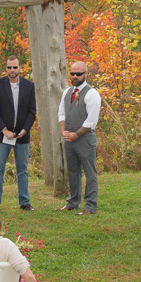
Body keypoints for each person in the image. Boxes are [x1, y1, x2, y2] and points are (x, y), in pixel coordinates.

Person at [0, 55, 37, 211]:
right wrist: (4, 130)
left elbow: (32, 111)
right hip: (2, 135)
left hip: (22, 135)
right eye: (9, 67)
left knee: (22, 169)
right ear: (6, 68)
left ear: (20, 67)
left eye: (15, 67)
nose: (12, 70)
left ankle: (24, 202)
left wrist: (25, 130)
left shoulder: (29, 86)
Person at [58, 60, 100, 215]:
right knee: (73, 171)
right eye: (72, 73)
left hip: (85, 139)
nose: (75, 76)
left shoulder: (92, 94)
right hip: (69, 139)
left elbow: (91, 121)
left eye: (78, 73)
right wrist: (64, 132)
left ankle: (89, 205)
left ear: (86, 74)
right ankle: (73, 202)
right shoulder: (67, 92)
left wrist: (76, 134)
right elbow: (61, 113)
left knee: (90, 173)